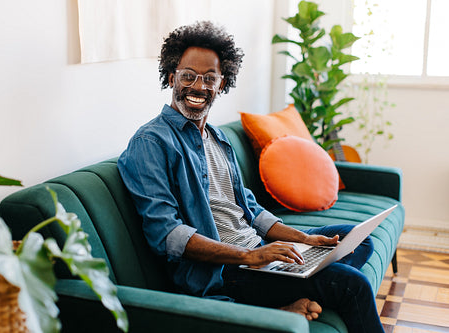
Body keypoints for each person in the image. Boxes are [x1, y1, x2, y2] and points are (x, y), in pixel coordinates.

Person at [118, 21, 385, 332]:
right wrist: (251, 255)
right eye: (188, 75)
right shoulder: (150, 143)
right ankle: (280, 300)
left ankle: (288, 294)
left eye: (210, 78)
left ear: (222, 84)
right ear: (171, 76)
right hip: (227, 271)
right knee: (351, 285)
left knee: (357, 241)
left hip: (258, 251)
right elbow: (167, 235)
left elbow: (250, 210)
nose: (198, 87)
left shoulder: (218, 138)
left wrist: (304, 239)